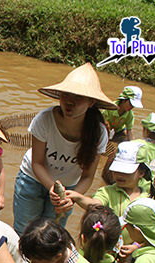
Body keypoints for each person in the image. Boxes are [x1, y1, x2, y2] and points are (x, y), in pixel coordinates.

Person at [12, 63, 112, 235]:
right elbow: (37, 163)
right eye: (66, 94)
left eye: (79, 97)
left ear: (91, 102)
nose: (70, 101)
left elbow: (88, 176)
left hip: (68, 188)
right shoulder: (44, 120)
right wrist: (53, 188)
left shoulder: (99, 133)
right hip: (32, 179)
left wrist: (71, 198)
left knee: (52, 234)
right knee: (25, 231)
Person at [59, 141, 151, 246]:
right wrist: (78, 197)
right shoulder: (107, 191)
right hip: (105, 247)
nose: (120, 175)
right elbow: (95, 204)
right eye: (117, 170)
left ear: (141, 173)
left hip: (130, 250)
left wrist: (136, 246)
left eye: (126, 172)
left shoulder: (146, 200)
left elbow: (148, 231)